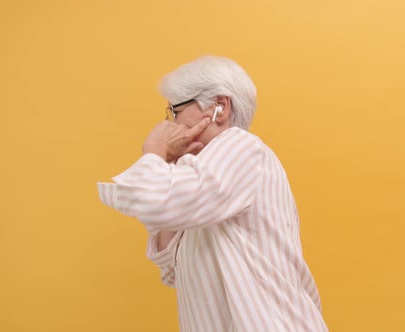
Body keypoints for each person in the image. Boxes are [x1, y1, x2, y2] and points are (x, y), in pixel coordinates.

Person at [97, 56, 328, 331]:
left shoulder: (241, 147)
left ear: (220, 107)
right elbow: (171, 269)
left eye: (176, 110)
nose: (170, 122)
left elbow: (160, 204)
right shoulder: (204, 180)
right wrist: (169, 162)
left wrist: (154, 151)